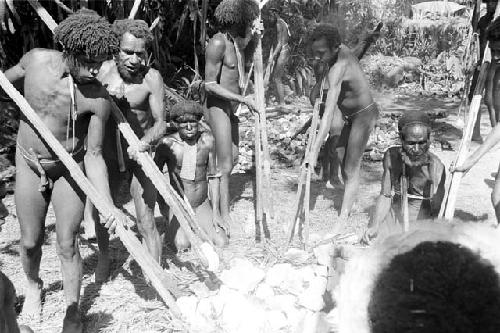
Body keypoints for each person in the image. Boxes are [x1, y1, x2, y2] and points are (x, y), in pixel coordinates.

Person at [4, 10, 120, 332]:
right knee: (29, 242)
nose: (97, 69)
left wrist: (107, 204)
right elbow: (5, 82)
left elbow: (95, 156)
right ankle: (32, 286)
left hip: (69, 168)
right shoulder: (36, 62)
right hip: (30, 164)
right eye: (89, 61)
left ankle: (72, 312)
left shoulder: (97, 97)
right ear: (70, 51)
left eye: (102, 62)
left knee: (68, 242)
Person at [86, 19, 166, 281]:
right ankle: (105, 257)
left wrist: (145, 143)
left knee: (145, 219)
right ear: (115, 50)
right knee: (104, 216)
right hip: (107, 158)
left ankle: (155, 274)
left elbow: (160, 123)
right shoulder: (101, 73)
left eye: (140, 53)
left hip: (139, 158)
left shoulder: (152, 79)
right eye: (127, 52)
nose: (134, 59)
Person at [306, 23, 379, 219]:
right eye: (314, 52)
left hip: (364, 115)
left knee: (350, 167)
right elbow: (355, 52)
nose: (317, 57)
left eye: (321, 53)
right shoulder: (342, 51)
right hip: (349, 116)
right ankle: (350, 197)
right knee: (340, 155)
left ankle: (343, 218)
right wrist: (366, 40)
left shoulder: (338, 67)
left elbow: (329, 113)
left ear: (335, 48)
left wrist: (313, 152)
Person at [204, 0, 259, 233]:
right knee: (224, 163)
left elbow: (247, 61)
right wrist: (242, 100)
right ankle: (221, 213)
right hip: (217, 107)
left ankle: (216, 203)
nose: (251, 25)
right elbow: (209, 85)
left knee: (234, 157)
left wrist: (257, 37)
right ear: (237, 22)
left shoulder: (236, 42)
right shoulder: (218, 42)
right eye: (249, 22)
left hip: (231, 108)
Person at [154, 101, 229, 250]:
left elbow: (213, 177)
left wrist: (216, 213)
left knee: (222, 242)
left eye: (192, 122)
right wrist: (165, 208)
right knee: (182, 246)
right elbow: (155, 178)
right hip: (179, 205)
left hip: (201, 203)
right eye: (183, 123)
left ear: (199, 121)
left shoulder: (207, 140)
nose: (189, 127)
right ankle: (172, 230)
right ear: (175, 124)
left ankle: (199, 224)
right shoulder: (166, 144)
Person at [363, 112, 446, 242]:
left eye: (422, 143)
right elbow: (385, 195)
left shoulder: (436, 167)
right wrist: (375, 225)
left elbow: (435, 212)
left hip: (420, 224)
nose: (417, 149)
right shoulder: (391, 157)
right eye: (411, 143)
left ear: (429, 139)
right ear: (401, 139)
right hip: (393, 218)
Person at [472, 0, 498, 142]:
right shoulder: (483, 20)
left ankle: (495, 131)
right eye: (488, 2)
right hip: (481, 63)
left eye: (493, 2)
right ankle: (475, 133)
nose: (490, 5)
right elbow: (477, 40)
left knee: (491, 99)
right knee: (475, 97)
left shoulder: (497, 21)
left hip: (494, 63)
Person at [267, 7, 290, 106]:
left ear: (275, 14)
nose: (269, 18)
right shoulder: (283, 22)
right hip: (285, 50)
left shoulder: (278, 24)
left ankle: (282, 103)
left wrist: (273, 56)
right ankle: (270, 99)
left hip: (283, 51)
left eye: (270, 15)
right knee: (275, 76)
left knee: (276, 77)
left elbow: (280, 43)